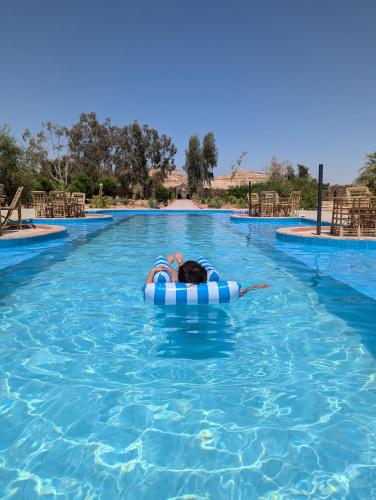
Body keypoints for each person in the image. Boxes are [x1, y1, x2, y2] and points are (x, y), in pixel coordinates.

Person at [145, 252, 270, 296]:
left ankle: (173, 261)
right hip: (189, 276)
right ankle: (179, 261)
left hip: (181, 276)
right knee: (178, 270)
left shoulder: (172, 285)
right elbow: (239, 292)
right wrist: (253, 287)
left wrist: (152, 272)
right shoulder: (212, 289)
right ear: (204, 278)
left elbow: (147, 289)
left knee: (168, 269)